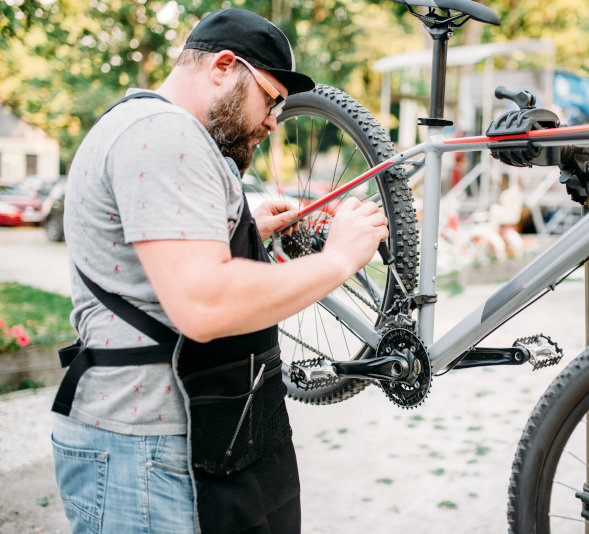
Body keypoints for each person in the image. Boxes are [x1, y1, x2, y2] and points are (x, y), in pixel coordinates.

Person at [51, 8, 388, 534]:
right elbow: (205, 304)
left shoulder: (151, 129)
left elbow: (154, 264)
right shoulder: (164, 135)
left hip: (159, 444)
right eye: (271, 99)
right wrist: (339, 259)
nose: (276, 120)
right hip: (145, 453)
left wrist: (243, 224)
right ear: (223, 66)